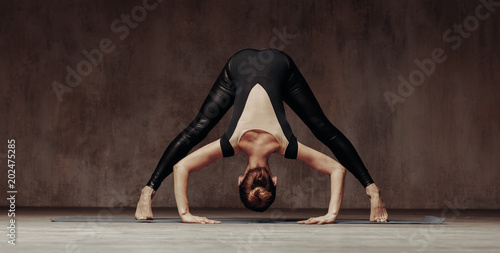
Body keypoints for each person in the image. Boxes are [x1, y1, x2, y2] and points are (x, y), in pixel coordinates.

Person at [135, 48, 388, 224]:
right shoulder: (231, 143)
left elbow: (336, 170)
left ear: (275, 181)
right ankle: (146, 194)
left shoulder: (286, 144)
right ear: (239, 180)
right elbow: (181, 168)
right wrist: (185, 214)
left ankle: (147, 193)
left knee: (196, 130)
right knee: (197, 129)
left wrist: (331, 214)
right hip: (243, 64)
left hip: (271, 64)